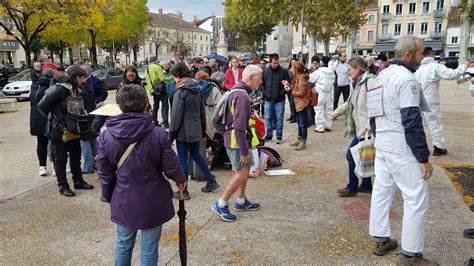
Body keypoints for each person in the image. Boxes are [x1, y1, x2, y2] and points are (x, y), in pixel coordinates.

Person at [97, 84, 186, 265]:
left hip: (123, 196)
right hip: (153, 197)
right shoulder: (158, 134)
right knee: (149, 248)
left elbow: (104, 172)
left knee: (123, 243)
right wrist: (180, 179)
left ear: (120, 105)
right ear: (146, 104)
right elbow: (171, 167)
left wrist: (108, 195)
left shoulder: (106, 134)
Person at [369, 36, 437, 265]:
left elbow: (373, 114)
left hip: (384, 144)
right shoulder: (407, 80)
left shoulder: (381, 75)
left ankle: (380, 239)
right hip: (401, 147)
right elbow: (411, 121)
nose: (422, 58)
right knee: (416, 198)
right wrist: (423, 157)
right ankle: (411, 254)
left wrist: (379, 138)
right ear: (408, 55)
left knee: (382, 191)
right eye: (420, 54)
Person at [211, 65, 263, 222]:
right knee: (242, 172)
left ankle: (240, 200)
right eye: (259, 78)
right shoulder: (242, 96)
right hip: (236, 140)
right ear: (251, 78)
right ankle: (221, 203)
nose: (260, 82)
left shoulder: (236, 91)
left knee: (243, 170)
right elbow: (239, 125)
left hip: (233, 138)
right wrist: (244, 151)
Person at [38, 65, 94, 197]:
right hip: (59, 131)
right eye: (81, 78)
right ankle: (63, 186)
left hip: (74, 129)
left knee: (76, 156)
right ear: (75, 77)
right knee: (61, 159)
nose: (83, 81)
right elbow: (42, 105)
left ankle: (78, 181)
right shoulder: (58, 89)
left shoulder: (77, 90)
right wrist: (56, 119)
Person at [169, 63, 219, 199]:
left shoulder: (180, 91)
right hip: (196, 128)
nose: (174, 79)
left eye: (174, 77)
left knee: (182, 159)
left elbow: (175, 116)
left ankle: (183, 191)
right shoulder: (197, 88)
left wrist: (171, 136)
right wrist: (202, 130)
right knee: (196, 155)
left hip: (183, 131)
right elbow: (202, 112)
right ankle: (211, 180)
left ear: (178, 76)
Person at [330, 57, 375, 197]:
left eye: (350, 70)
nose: (348, 73)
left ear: (358, 69)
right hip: (360, 127)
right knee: (363, 155)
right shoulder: (355, 83)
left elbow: (377, 105)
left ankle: (352, 187)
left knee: (351, 155)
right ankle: (367, 185)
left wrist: (370, 125)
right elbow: (349, 102)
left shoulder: (370, 81)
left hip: (367, 129)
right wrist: (335, 113)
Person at [414, 47, 468, 156]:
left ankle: (418, 146)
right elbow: (452, 74)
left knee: (421, 124)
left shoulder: (419, 70)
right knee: (435, 123)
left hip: (419, 99)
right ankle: (438, 147)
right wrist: (464, 65)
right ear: (431, 53)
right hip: (431, 99)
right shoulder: (435, 67)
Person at [29, 64, 60, 176]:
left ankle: (42, 167)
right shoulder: (52, 87)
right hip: (49, 118)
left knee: (41, 143)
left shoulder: (34, 86)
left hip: (36, 118)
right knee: (54, 144)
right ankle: (56, 168)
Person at [262, 53, 290, 144]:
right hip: (268, 99)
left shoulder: (283, 71)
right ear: (270, 62)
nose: (276, 65)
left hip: (279, 99)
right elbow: (262, 85)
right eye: (274, 63)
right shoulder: (265, 71)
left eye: (277, 63)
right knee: (268, 118)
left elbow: (287, 84)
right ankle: (269, 135)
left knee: (279, 119)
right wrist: (265, 93)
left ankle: (279, 136)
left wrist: (281, 93)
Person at [283, 60, 311, 151]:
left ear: (296, 69)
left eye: (292, 67)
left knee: (302, 124)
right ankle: (299, 139)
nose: (291, 69)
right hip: (298, 103)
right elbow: (295, 89)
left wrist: (292, 92)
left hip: (302, 103)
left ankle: (303, 142)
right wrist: (288, 86)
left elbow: (301, 93)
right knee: (299, 122)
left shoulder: (301, 79)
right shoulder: (297, 78)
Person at [309, 56, 336, 133]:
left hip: (320, 92)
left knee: (319, 109)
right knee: (328, 110)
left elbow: (311, 79)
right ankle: (328, 125)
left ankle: (320, 127)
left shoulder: (320, 71)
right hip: (329, 93)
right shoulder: (332, 72)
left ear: (321, 62)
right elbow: (334, 81)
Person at [145, 56, 173, 128]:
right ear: (155, 60)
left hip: (154, 90)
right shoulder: (158, 67)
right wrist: (170, 78)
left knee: (155, 106)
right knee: (165, 106)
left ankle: (154, 122)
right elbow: (162, 78)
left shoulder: (147, 69)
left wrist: (151, 90)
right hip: (161, 89)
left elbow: (148, 81)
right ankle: (165, 124)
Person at [286, 59, 297, 123]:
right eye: (292, 63)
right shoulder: (289, 70)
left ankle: (295, 116)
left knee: (293, 103)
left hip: (294, 89)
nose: (293, 64)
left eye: (294, 63)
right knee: (290, 103)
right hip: (289, 88)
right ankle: (292, 115)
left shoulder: (296, 70)